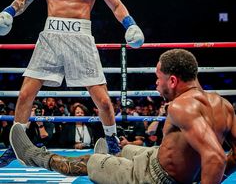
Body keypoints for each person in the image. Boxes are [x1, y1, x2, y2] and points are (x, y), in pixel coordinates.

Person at [0, 0, 144, 166]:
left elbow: (116, 6)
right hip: (51, 36)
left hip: (82, 38)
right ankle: (17, 145)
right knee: (26, 93)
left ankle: (112, 143)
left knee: (104, 101)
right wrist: (8, 12)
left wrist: (131, 25)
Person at [9, 49, 236, 183]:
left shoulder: (180, 107)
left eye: (159, 78)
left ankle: (33, 155)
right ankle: (114, 157)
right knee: (126, 149)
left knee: (91, 162)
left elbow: (214, 157)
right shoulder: (223, 104)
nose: (156, 84)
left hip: (152, 178)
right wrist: (205, 176)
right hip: (157, 159)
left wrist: (205, 177)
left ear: (173, 81)